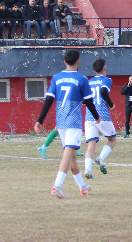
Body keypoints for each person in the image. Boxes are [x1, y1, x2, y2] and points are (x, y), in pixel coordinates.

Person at [33, 50, 100, 198]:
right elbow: (88, 101)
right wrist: (96, 116)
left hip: (61, 122)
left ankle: (83, 187)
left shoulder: (56, 78)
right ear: (79, 62)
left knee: (72, 157)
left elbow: (49, 100)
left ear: (64, 62)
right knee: (68, 154)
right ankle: (57, 186)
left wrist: (40, 120)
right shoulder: (82, 79)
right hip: (73, 122)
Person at [83, 58, 117, 178]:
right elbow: (103, 91)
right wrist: (111, 104)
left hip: (89, 116)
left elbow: (84, 100)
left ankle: (88, 170)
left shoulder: (89, 82)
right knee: (112, 140)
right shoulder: (107, 80)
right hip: (102, 116)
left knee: (91, 145)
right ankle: (101, 158)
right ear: (104, 68)